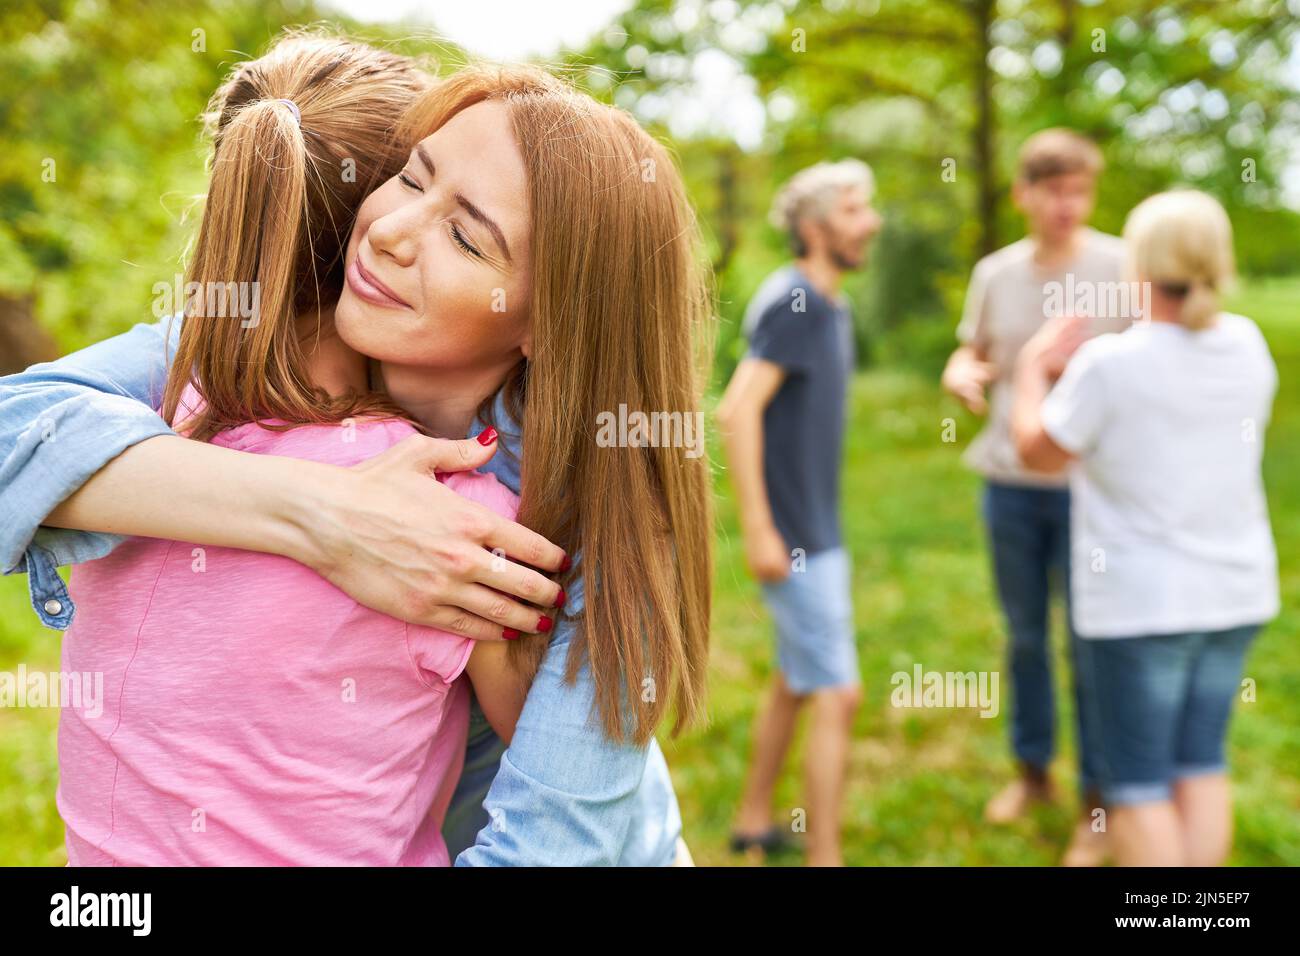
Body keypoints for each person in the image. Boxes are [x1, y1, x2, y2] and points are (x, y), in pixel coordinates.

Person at [0, 41, 713, 867]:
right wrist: (326, 516)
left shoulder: (583, 512)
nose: (391, 232)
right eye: (412, 177)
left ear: (549, 325)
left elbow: (554, 850)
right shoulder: (262, 349)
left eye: (468, 240)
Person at [1012, 189, 1278, 867]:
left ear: (1139, 266)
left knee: (1138, 784)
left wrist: (1028, 374)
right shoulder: (1248, 346)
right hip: (1235, 596)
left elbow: (1037, 452)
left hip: (1141, 607)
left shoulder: (1112, 363)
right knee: (1200, 764)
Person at [940, 128, 1130, 865]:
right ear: (1023, 194)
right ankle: (1031, 775)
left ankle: (1098, 802)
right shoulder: (996, 273)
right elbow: (974, 349)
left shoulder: (1120, 264)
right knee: (1024, 637)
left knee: (1090, 641)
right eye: (1053, 190)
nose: (1067, 204)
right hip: (1012, 489)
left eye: (1079, 189)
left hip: (1093, 492)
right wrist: (962, 371)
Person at [717, 159, 880, 866]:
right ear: (815, 227)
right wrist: (759, 528)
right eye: (853, 210)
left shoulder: (827, 301)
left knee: (796, 677)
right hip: (797, 539)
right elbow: (735, 411)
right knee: (838, 694)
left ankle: (754, 818)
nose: (870, 222)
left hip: (821, 531)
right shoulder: (797, 303)